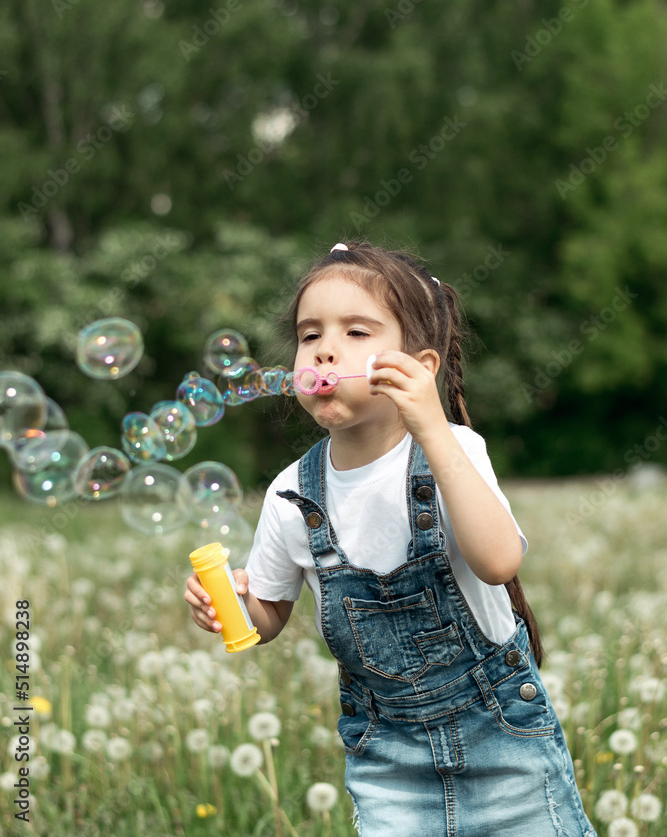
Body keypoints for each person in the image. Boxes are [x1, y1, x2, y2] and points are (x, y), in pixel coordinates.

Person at [185, 241, 596, 837]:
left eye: (356, 331)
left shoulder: (454, 452)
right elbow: (267, 615)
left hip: (502, 738)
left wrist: (433, 428)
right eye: (309, 335)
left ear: (421, 367)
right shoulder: (290, 495)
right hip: (387, 760)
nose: (325, 348)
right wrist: (229, 605)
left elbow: (499, 560)